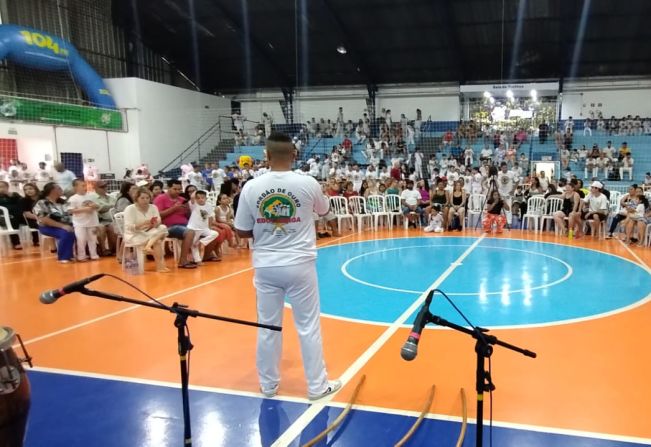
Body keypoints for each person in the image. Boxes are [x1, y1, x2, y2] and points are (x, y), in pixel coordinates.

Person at [234, 132, 340, 400]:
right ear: (294, 155)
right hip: (300, 264)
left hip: (266, 264)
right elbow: (325, 212)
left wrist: (268, 230)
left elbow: (242, 231)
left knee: (268, 327)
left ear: (266, 156)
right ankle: (317, 386)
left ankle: (268, 385)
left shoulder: (251, 187)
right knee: (308, 326)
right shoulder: (308, 183)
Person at [123, 187, 170, 272]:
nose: (145, 200)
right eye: (142, 198)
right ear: (137, 198)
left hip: (150, 232)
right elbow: (128, 227)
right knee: (158, 241)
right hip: (134, 234)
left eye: (147, 198)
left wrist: (155, 224)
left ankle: (148, 246)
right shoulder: (130, 209)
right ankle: (160, 267)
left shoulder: (153, 207)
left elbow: (159, 220)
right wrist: (142, 224)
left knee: (163, 227)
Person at [33, 182, 76, 263]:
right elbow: (44, 219)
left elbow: (70, 214)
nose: (61, 190)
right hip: (48, 226)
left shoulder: (63, 202)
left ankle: (75, 254)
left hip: (66, 224)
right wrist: (62, 226)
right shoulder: (42, 203)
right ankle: (63, 257)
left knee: (78, 231)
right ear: (52, 191)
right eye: (59, 188)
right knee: (65, 233)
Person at [67, 179, 101, 261]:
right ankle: (81, 256)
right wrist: (84, 209)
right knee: (81, 240)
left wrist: (94, 206)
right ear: (75, 187)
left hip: (92, 222)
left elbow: (98, 206)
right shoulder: (72, 198)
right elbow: (70, 210)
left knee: (93, 239)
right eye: (82, 186)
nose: (84, 187)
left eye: (85, 185)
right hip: (79, 223)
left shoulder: (92, 195)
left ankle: (94, 255)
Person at [187, 190, 223, 263]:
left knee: (215, 233)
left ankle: (201, 242)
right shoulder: (194, 205)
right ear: (196, 199)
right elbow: (192, 197)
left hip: (204, 228)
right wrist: (197, 190)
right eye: (198, 198)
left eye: (202, 198)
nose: (200, 199)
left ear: (206, 198)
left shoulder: (208, 206)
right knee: (193, 245)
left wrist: (209, 227)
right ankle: (197, 260)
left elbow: (210, 217)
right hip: (193, 228)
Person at [0, 180, 23, 249]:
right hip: (3, 217)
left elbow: (22, 203)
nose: (1, 189)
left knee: (29, 218)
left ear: (7, 187)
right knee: (11, 219)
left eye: (3, 187)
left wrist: (11, 196)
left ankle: (36, 240)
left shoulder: (14, 194)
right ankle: (16, 243)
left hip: (17, 215)